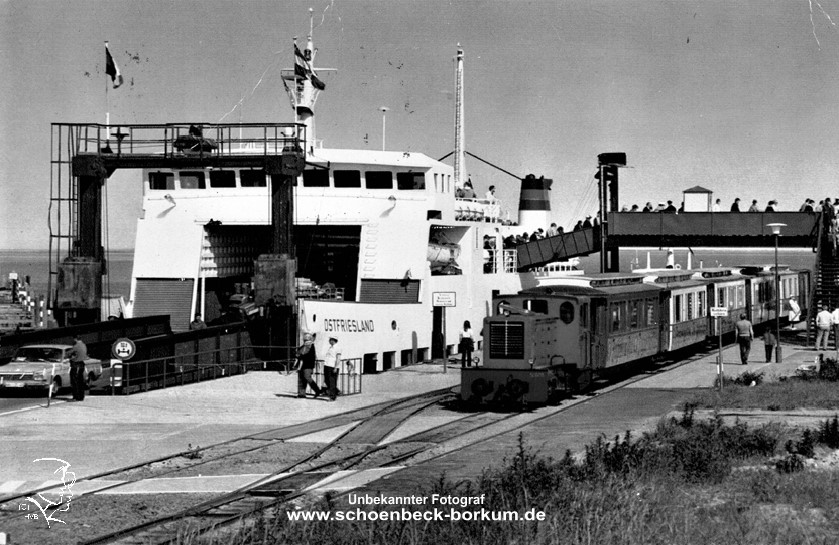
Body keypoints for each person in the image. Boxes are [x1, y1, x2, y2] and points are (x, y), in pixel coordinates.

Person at [294, 332, 322, 398]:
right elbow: (298, 352)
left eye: (307, 339)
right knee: (301, 379)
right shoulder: (303, 346)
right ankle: (302, 393)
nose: (306, 341)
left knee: (307, 377)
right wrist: (297, 354)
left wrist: (301, 356)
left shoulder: (311, 346)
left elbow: (308, 355)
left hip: (308, 365)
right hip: (302, 365)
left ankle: (317, 390)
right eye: (305, 339)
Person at [322, 336, 341, 401]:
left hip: (332, 366)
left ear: (333, 340)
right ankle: (336, 391)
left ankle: (333, 397)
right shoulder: (330, 347)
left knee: (332, 381)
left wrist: (336, 367)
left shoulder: (338, 348)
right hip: (327, 365)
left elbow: (338, 358)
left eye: (330, 340)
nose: (329, 341)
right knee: (327, 380)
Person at [69, 335, 88, 401]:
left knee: (75, 381)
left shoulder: (76, 346)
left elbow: (68, 353)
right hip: (82, 364)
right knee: (80, 381)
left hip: (75, 364)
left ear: (75, 339)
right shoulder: (84, 345)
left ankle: (76, 396)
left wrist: (70, 357)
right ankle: (81, 396)